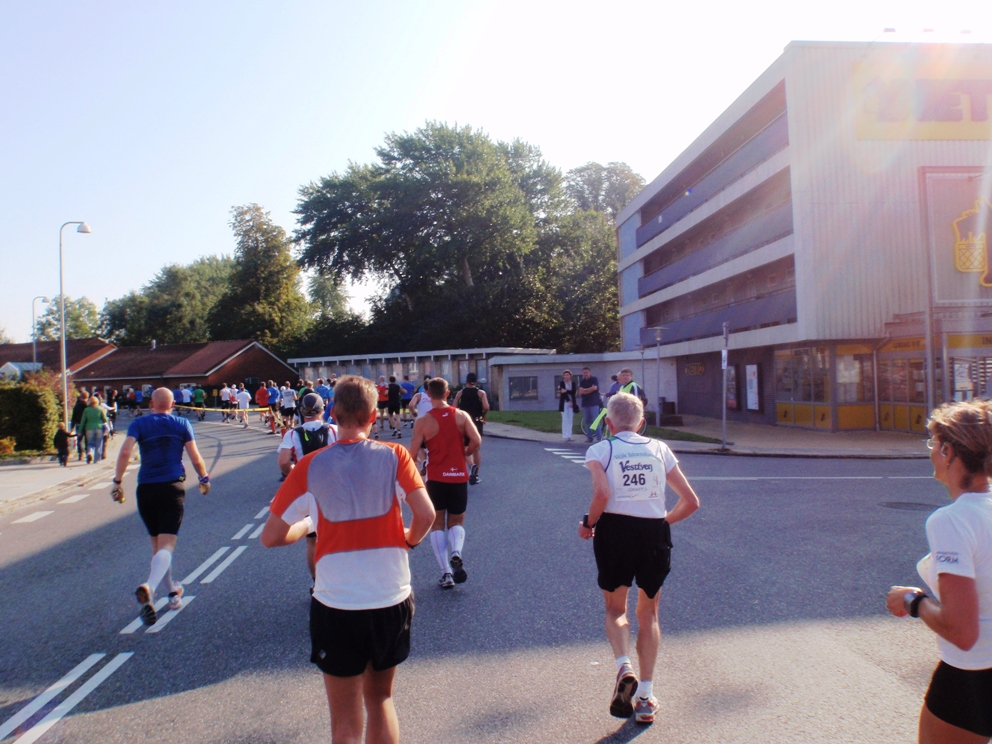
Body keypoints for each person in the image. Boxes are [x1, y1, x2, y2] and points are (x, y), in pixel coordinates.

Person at [261, 376, 435, 744]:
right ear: (374, 415)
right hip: (391, 596)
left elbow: (271, 536)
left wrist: (308, 523)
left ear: (334, 414)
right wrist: (408, 541)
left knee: (343, 721)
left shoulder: (310, 465)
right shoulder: (396, 456)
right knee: (381, 699)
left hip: (336, 602)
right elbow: (426, 515)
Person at [579, 392, 701, 724]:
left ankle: (623, 667)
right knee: (649, 613)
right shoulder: (660, 449)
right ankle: (645, 698)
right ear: (642, 422)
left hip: (614, 532)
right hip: (653, 533)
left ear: (608, 422)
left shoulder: (601, 449)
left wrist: (588, 524)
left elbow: (602, 494)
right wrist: (662, 523)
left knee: (615, 608)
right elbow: (691, 501)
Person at [886, 400, 992, 744]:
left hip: (973, 675)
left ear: (947, 451)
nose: (930, 451)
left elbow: (961, 632)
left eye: (932, 444)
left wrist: (913, 601)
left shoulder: (952, 520)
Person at [112, 388, 211, 626]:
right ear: (173, 403)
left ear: (151, 403)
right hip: (171, 487)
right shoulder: (181, 423)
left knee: (157, 547)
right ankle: (151, 586)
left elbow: (126, 451)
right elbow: (195, 456)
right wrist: (203, 478)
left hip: (145, 488)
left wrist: (117, 481)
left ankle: (171, 593)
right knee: (167, 545)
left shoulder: (140, 424)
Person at [410, 377, 481, 589]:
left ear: (428, 395)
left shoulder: (422, 421)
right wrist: (464, 453)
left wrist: (418, 468)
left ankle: (446, 573)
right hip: (458, 475)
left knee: (437, 524)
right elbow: (476, 441)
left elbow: (412, 453)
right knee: (457, 522)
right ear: (448, 394)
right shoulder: (461, 415)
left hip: (436, 478)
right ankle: (457, 551)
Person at [277, 393, 339, 582]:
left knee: (312, 539)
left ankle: (317, 582)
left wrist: (293, 473)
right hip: (333, 489)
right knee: (336, 535)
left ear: (302, 411)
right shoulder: (334, 430)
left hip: (307, 490)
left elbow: (283, 462)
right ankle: (338, 581)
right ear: (323, 409)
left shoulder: (292, 433)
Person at [454, 373, 489, 485]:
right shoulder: (481, 393)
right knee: (476, 448)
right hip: (477, 421)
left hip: (464, 422)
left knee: (465, 447)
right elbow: (486, 407)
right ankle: (476, 475)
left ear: (466, 382)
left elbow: (454, 407)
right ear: (476, 382)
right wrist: (483, 415)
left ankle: (471, 466)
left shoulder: (460, 393)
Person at [593, 368, 648, 434]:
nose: (625, 377)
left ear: (631, 377)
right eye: (623, 375)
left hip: (631, 416)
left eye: (627, 375)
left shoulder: (634, 386)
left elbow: (637, 402)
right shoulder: (622, 387)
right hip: (623, 416)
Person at [78, 395, 109, 464]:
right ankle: (96, 459)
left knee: (90, 443)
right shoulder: (100, 409)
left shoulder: (86, 410)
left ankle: (89, 453)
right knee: (99, 443)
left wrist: (80, 431)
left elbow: (83, 421)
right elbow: (105, 419)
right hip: (99, 427)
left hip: (89, 428)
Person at [578, 367, 604, 443]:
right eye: (584, 372)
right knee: (587, 421)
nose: (585, 374)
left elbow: (595, 388)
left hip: (594, 403)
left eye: (586, 372)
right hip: (585, 404)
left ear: (590, 372)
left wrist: (585, 390)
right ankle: (590, 437)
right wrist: (589, 389)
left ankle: (599, 438)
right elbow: (580, 392)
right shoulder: (582, 381)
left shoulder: (594, 379)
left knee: (596, 421)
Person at [559, 369, 579, 442]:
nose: (566, 376)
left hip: (572, 403)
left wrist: (567, 391)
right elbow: (563, 393)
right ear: (563, 376)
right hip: (564, 403)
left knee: (570, 419)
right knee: (565, 419)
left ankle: (569, 435)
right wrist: (568, 401)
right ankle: (565, 436)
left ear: (570, 376)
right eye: (565, 375)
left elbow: (573, 392)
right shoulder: (562, 383)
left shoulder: (573, 383)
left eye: (568, 375)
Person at [70, 390, 89, 461]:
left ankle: (80, 454)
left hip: (78, 424)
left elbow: (74, 417)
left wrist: (72, 427)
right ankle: (88, 453)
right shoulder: (88, 406)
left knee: (80, 440)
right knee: (87, 439)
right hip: (87, 425)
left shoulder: (77, 405)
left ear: (81, 397)